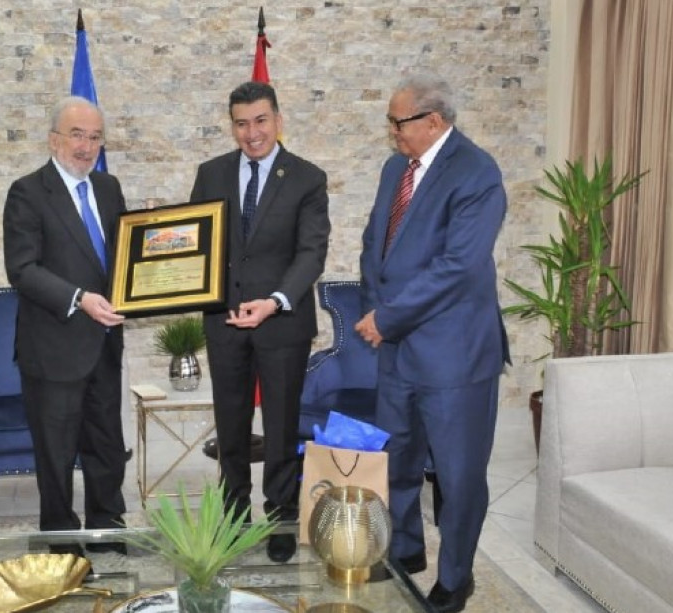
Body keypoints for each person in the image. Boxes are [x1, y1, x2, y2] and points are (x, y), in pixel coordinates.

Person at [354, 74, 509, 613]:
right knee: (396, 460)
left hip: (454, 357)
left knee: (458, 475)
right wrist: (375, 310)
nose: (392, 132)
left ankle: (457, 577)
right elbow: (374, 243)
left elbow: (458, 267)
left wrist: (387, 317)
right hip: (397, 349)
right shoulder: (394, 168)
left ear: (433, 121)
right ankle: (405, 550)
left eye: (397, 122)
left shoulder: (477, 172)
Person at [189, 81, 330, 563]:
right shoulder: (210, 174)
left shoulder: (307, 178)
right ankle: (234, 517)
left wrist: (274, 300)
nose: (252, 133)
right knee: (230, 428)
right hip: (225, 320)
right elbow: (199, 244)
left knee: (281, 427)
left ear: (278, 120)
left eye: (261, 121)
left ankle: (282, 518)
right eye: (242, 123)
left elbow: (311, 253)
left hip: (281, 323)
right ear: (232, 126)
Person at [3, 96, 128, 541]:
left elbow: (122, 258)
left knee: (107, 445)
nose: (86, 146)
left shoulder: (109, 188)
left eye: (95, 137)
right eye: (77, 135)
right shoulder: (27, 192)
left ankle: (108, 531)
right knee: (55, 456)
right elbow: (22, 269)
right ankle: (61, 542)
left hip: (104, 345)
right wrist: (79, 298)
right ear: (54, 139)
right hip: (53, 349)